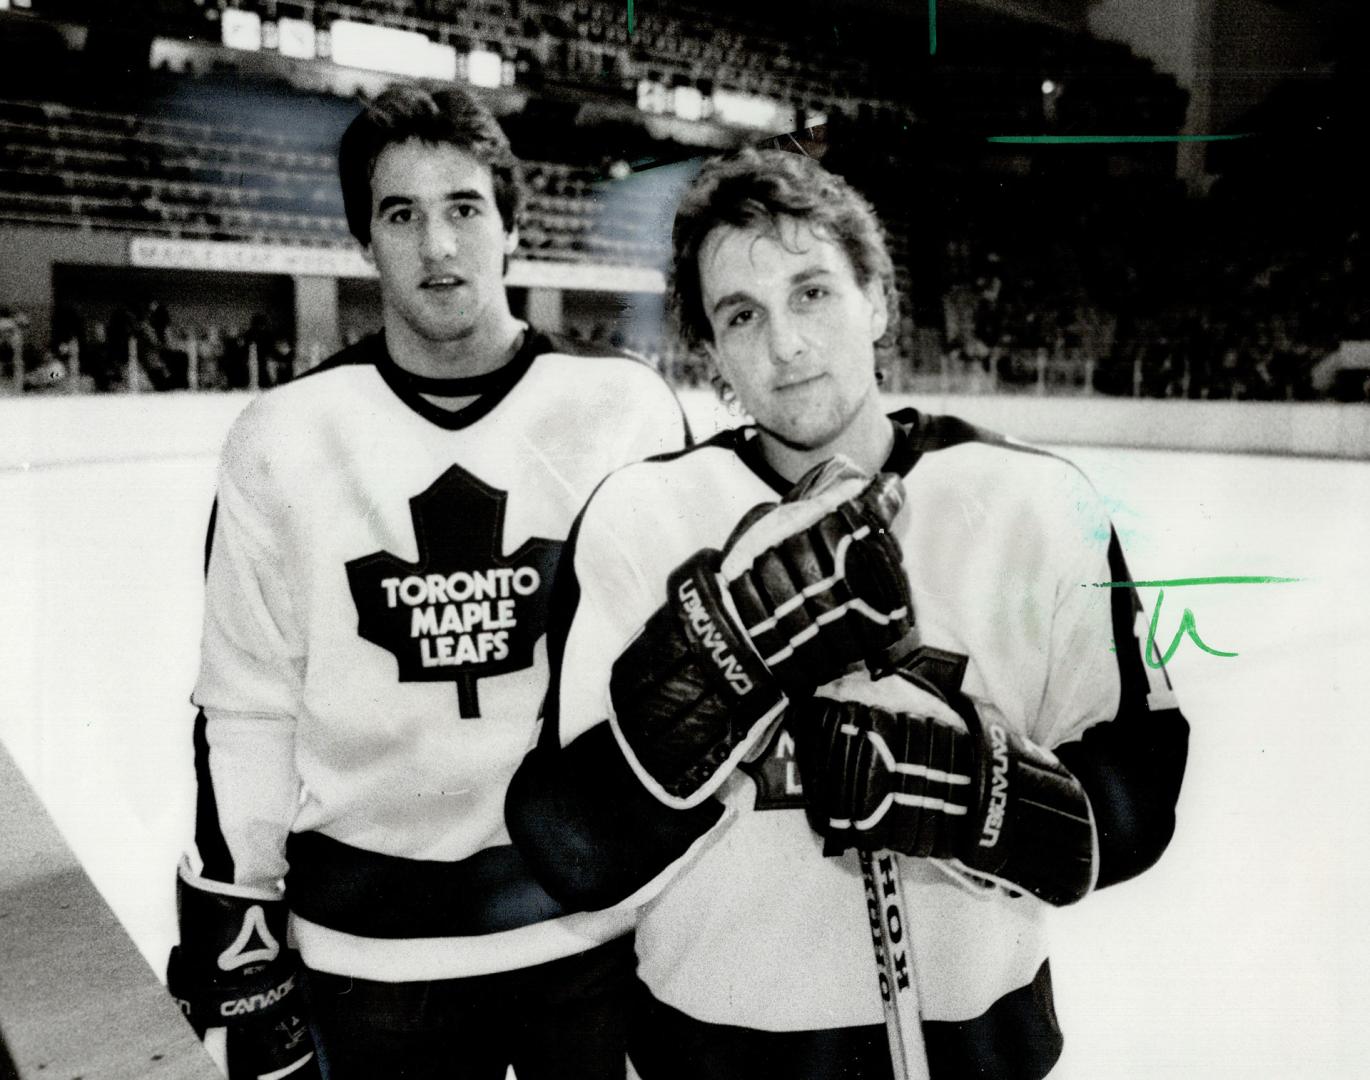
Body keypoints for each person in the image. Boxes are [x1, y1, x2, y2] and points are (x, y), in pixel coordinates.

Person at [506, 147, 1190, 1079]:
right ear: (708, 354)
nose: (785, 344)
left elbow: (1140, 790)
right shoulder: (639, 516)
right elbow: (571, 849)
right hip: (716, 1051)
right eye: (742, 316)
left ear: (877, 299)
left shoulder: (1037, 500)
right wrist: (722, 666)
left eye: (814, 293)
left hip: (981, 1045)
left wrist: (979, 804)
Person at [168, 83, 690, 1080]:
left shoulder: (621, 411)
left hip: (583, 942)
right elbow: (245, 707)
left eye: (463, 208)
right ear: (363, 241)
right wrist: (244, 950)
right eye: (399, 215)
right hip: (363, 959)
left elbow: (681, 685)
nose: (436, 247)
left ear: (512, 228)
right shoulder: (283, 437)